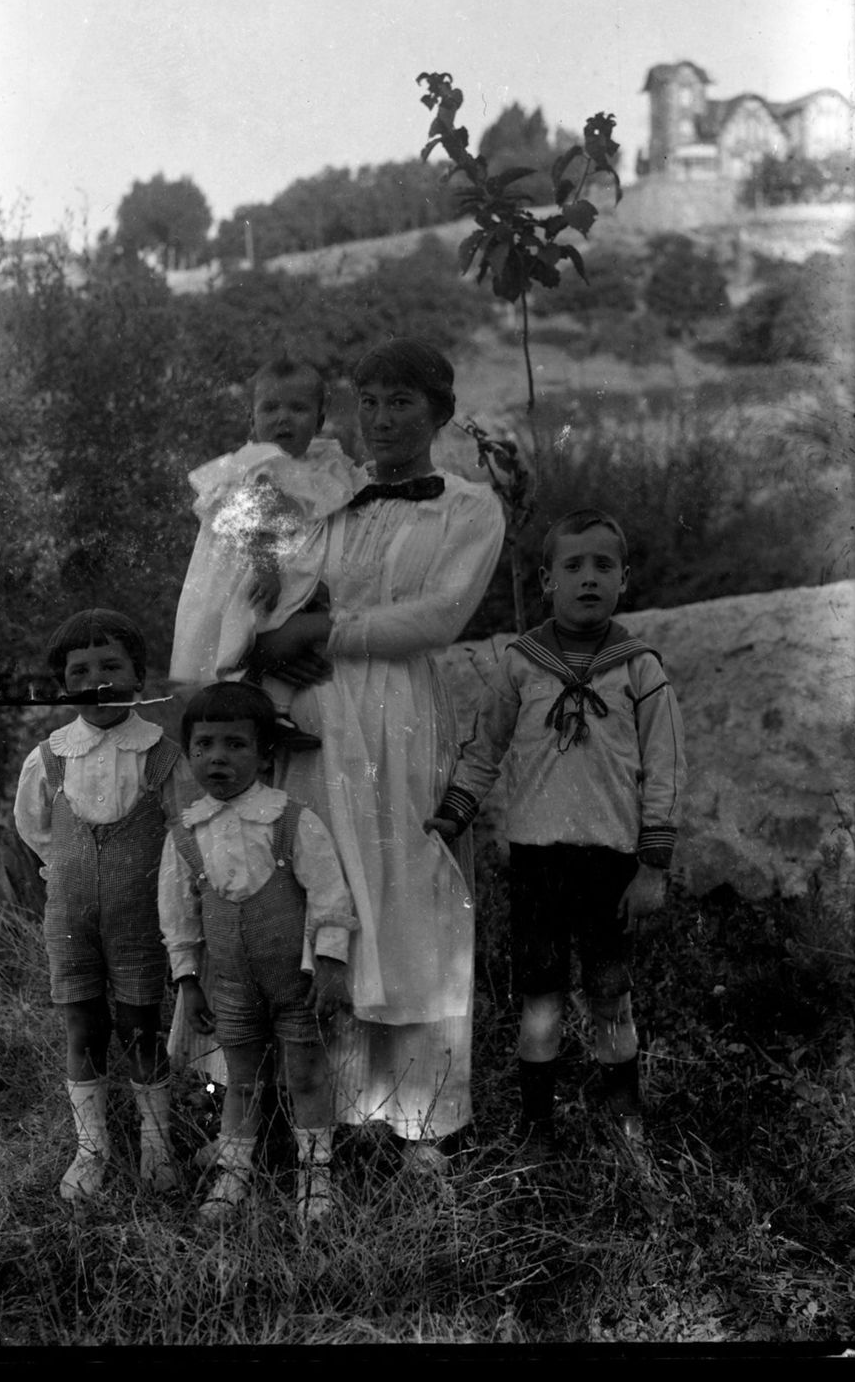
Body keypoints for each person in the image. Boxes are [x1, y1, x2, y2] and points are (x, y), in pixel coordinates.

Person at [243, 339, 506, 1170]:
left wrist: (325, 628)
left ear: (438, 412)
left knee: (409, 894)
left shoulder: (466, 508)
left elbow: (437, 618)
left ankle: (420, 1120)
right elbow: (272, 588)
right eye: (370, 402)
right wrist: (272, 646)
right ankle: (330, 1112)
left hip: (398, 716)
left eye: (402, 401)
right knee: (332, 895)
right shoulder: (329, 495)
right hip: (318, 715)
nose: (383, 418)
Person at [425, 508, 687, 1168]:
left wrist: (652, 868)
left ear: (624, 578)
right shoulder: (520, 665)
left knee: (609, 992)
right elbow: (483, 749)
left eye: (604, 565)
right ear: (547, 578)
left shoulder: (640, 669)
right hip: (539, 862)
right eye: (574, 565)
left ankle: (622, 1120)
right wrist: (454, 812)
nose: (589, 577)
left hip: (611, 865)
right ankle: (537, 1129)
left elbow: (665, 768)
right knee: (539, 999)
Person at [158, 681, 355, 1224]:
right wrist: (188, 980)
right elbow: (179, 920)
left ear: (265, 753)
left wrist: (332, 966)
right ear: (190, 752)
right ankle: (233, 1175)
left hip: (295, 981)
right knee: (240, 1080)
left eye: (236, 745)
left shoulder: (292, 820)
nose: (218, 758)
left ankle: (315, 1180)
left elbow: (330, 898)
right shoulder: (185, 835)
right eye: (205, 746)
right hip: (232, 986)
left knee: (307, 1077)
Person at [13, 608, 190, 1201]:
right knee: (81, 1025)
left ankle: (156, 1144)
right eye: (81, 670)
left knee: (140, 1027)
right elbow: (35, 827)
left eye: (111, 665)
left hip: (140, 920)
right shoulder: (50, 756)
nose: (98, 680)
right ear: (64, 685)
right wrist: (68, 870)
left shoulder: (160, 755)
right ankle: (92, 1148)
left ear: (138, 676)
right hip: (70, 922)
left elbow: (184, 835)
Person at [168, 357, 365, 746]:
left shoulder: (320, 464)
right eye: (270, 408)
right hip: (253, 566)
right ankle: (258, 711)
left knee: (280, 625)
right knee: (248, 624)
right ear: (251, 419)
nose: (283, 420)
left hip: (291, 561)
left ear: (319, 420)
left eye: (298, 409)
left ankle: (275, 710)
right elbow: (253, 517)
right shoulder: (258, 462)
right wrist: (266, 567)